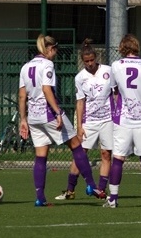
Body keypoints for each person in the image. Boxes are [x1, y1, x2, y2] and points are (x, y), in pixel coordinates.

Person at [19, 34, 106, 207]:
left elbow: (22, 95)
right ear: (50, 49)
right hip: (48, 113)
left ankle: (40, 198)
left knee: (41, 156)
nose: (56, 53)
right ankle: (91, 186)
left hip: (34, 117)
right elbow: (46, 90)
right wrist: (58, 112)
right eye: (55, 50)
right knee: (76, 145)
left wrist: (23, 119)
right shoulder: (47, 64)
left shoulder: (26, 67)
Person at [104, 34, 141, 208]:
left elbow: (114, 92)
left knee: (118, 158)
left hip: (123, 119)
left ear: (122, 48)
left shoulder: (116, 66)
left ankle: (113, 199)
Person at [55, 39, 113, 201]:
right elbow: (80, 102)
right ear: (83, 61)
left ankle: (100, 190)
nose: (89, 63)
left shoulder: (108, 71)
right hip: (90, 121)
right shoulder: (80, 77)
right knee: (80, 153)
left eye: (91, 60)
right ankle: (70, 190)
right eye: (86, 61)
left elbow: (116, 93)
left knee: (106, 154)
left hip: (108, 119)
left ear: (96, 58)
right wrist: (79, 126)